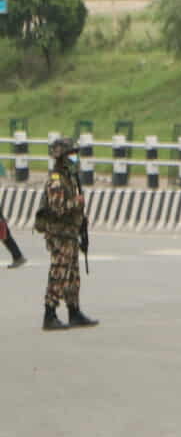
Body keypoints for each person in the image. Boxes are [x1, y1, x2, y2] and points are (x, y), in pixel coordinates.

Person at [33, 137, 95, 330]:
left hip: (70, 233)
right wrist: (77, 202)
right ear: (62, 158)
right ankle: (49, 314)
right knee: (59, 272)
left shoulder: (70, 177)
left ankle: (74, 311)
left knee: (72, 274)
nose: (75, 158)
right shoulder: (56, 180)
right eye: (71, 155)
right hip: (59, 234)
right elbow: (58, 208)